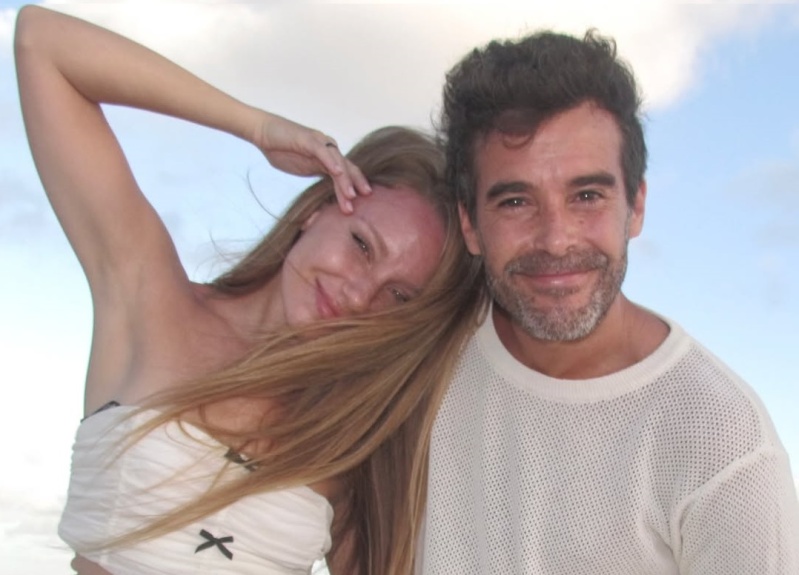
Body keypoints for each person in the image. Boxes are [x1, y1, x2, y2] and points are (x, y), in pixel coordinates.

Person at [15, 5, 485, 575]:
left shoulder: (356, 428)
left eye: (399, 296)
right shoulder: (148, 295)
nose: (359, 296)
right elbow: (42, 41)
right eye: (362, 246)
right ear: (317, 211)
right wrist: (257, 127)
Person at [418, 30, 799, 574]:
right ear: (469, 223)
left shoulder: (721, 438)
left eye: (587, 196)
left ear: (636, 206)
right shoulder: (419, 361)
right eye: (516, 201)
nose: (556, 239)